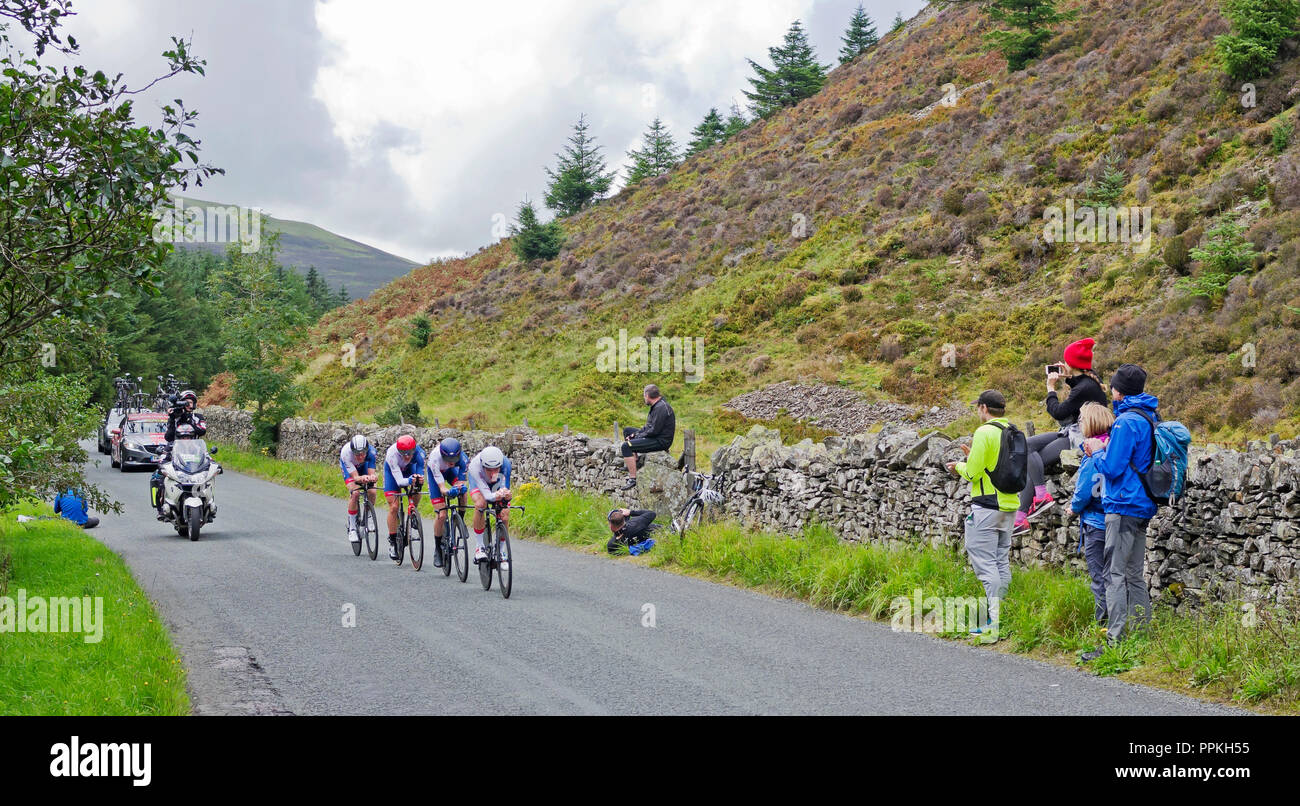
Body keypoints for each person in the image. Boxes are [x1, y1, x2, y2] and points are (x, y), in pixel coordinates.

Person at [1080, 364, 1159, 662]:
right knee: (1134, 575)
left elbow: (1112, 468)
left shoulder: (1126, 422)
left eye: (1113, 387)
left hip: (1123, 505)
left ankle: (1114, 641)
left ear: (1118, 390)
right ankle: (1140, 636)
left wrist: (1094, 451)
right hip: (1143, 506)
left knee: (1113, 574)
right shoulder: (1149, 416)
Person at [945, 390, 1020, 640]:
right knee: (1000, 561)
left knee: (986, 564)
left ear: (985, 408)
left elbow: (974, 473)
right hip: (1010, 505)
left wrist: (959, 466)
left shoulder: (984, 432)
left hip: (987, 506)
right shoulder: (1013, 431)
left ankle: (994, 623)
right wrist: (972, 458)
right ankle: (1003, 616)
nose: (978, 411)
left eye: (978, 407)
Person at [1014, 338, 1108, 536]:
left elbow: (1058, 412)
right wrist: (1068, 375)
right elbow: (1080, 383)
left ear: (1072, 363)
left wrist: (1050, 388)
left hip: (1081, 435)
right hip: (1073, 430)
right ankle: (1024, 512)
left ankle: (1037, 500)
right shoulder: (1089, 380)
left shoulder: (1084, 388)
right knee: (1028, 445)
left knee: (1032, 455)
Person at [1069, 402, 1115, 626]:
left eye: (1082, 420)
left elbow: (1084, 490)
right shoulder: (1113, 447)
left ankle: (1103, 625)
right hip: (1115, 520)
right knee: (1115, 575)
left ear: (1091, 423)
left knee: (1099, 577)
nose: (1079, 424)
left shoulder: (1091, 452)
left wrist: (1073, 508)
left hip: (1095, 524)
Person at [153, 390, 208, 517]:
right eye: (185, 402)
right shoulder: (176, 415)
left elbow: (201, 431)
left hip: (195, 449)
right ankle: (162, 508)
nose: (188, 405)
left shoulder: (198, 417)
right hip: (175, 448)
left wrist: (189, 419)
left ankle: (207, 503)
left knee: (207, 470)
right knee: (160, 474)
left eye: (190, 402)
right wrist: (173, 419)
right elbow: (168, 437)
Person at [619, 384, 676, 491]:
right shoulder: (657, 405)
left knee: (626, 446)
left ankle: (632, 478)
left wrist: (638, 436)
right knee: (627, 431)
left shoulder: (661, 408)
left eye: (644, 396)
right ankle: (634, 460)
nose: (644, 398)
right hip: (654, 436)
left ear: (647, 395)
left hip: (660, 441)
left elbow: (654, 431)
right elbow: (648, 427)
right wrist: (635, 434)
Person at [383, 435, 426, 560]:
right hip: (393, 474)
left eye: (410, 453)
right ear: (398, 451)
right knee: (394, 507)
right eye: (404, 454)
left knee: (417, 486)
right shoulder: (392, 455)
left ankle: (413, 512)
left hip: (409, 470)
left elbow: (419, 472)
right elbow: (400, 481)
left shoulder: (419, 453)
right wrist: (409, 480)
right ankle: (392, 541)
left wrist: (418, 479)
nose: (407, 456)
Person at [467, 445, 512, 564]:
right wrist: (494, 496)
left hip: (497, 484)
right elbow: (487, 495)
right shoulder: (475, 467)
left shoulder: (506, 464)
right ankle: (479, 546)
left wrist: (505, 496)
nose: (493, 473)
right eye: (489, 469)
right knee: (481, 504)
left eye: (496, 469)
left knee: (505, 513)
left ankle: (501, 551)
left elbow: (504, 488)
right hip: (479, 482)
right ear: (483, 465)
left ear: (500, 465)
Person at [428, 437, 469, 568]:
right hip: (436, 477)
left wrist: (458, 488)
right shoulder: (435, 459)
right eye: (448, 460)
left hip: (450, 474)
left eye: (454, 460)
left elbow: (461, 482)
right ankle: (438, 549)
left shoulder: (463, 459)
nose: (451, 463)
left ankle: (460, 521)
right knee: (442, 515)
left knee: (462, 491)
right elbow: (442, 488)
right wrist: (447, 492)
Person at [339, 434, 378, 547]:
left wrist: (372, 478)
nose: (360, 457)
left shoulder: (371, 453)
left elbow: (371, 474)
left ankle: (369, 515)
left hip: (364, 466)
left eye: (362, 454)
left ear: (367, 450)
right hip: (350, 470)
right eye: (357, 454)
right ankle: (352, 527)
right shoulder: (346, 453)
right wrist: (361, 478)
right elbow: (355, 477)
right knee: (355, 492)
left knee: (372, 491)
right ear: (353, 451)